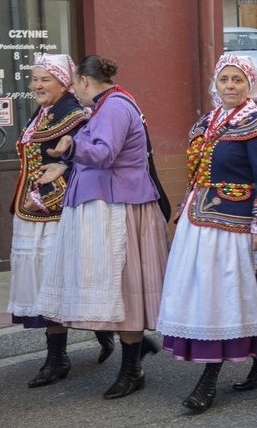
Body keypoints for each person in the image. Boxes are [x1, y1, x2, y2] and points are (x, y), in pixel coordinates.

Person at [157, 54, 257, 414]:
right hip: (199, 223)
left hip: (236, 225)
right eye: (224, 80)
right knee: (207, 295)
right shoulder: (208, 122)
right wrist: (183, 208)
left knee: (225, 298)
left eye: (237, 80)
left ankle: (209, 379)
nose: (230, 86)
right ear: (215, 85)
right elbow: (196, 174)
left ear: (250, 85)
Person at [35, 54, 170, 400]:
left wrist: (72, 146)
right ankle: (132, 363)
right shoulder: (110, 104)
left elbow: (105, 154)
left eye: (74, 84)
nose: (74, 92)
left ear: (83, 81)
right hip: (112, 205)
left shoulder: (112, 107)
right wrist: (65, 162)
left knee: (123, 292)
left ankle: (132, 370)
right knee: (119, 292)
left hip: (119, 210)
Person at [7, 53, 113, 388]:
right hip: (33, 209)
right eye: (35, 79)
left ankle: (63, 356)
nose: (37, 85)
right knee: (48, 285)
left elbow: (92, 158)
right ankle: (85, 341)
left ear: (63, 82)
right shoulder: (43, 114)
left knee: (59, 282)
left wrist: (64, 167)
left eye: (45, 79)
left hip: (57, 210)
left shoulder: (76, 115)